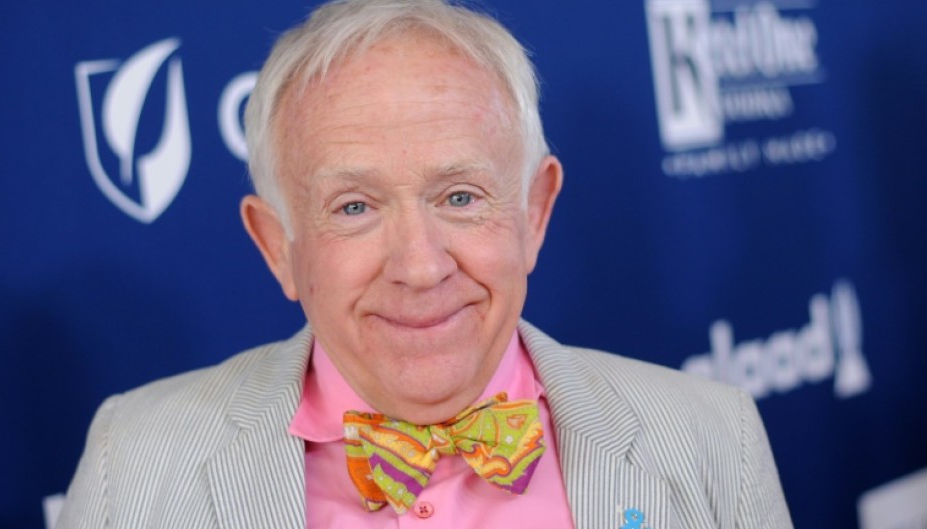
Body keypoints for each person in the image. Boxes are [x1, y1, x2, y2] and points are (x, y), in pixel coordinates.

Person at [58, 0, 793, 527]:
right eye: (354, 207)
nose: (419, 266)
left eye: (461, 195)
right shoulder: (136, 462)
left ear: (534, 212)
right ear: (277, 246)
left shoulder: (710, 436)